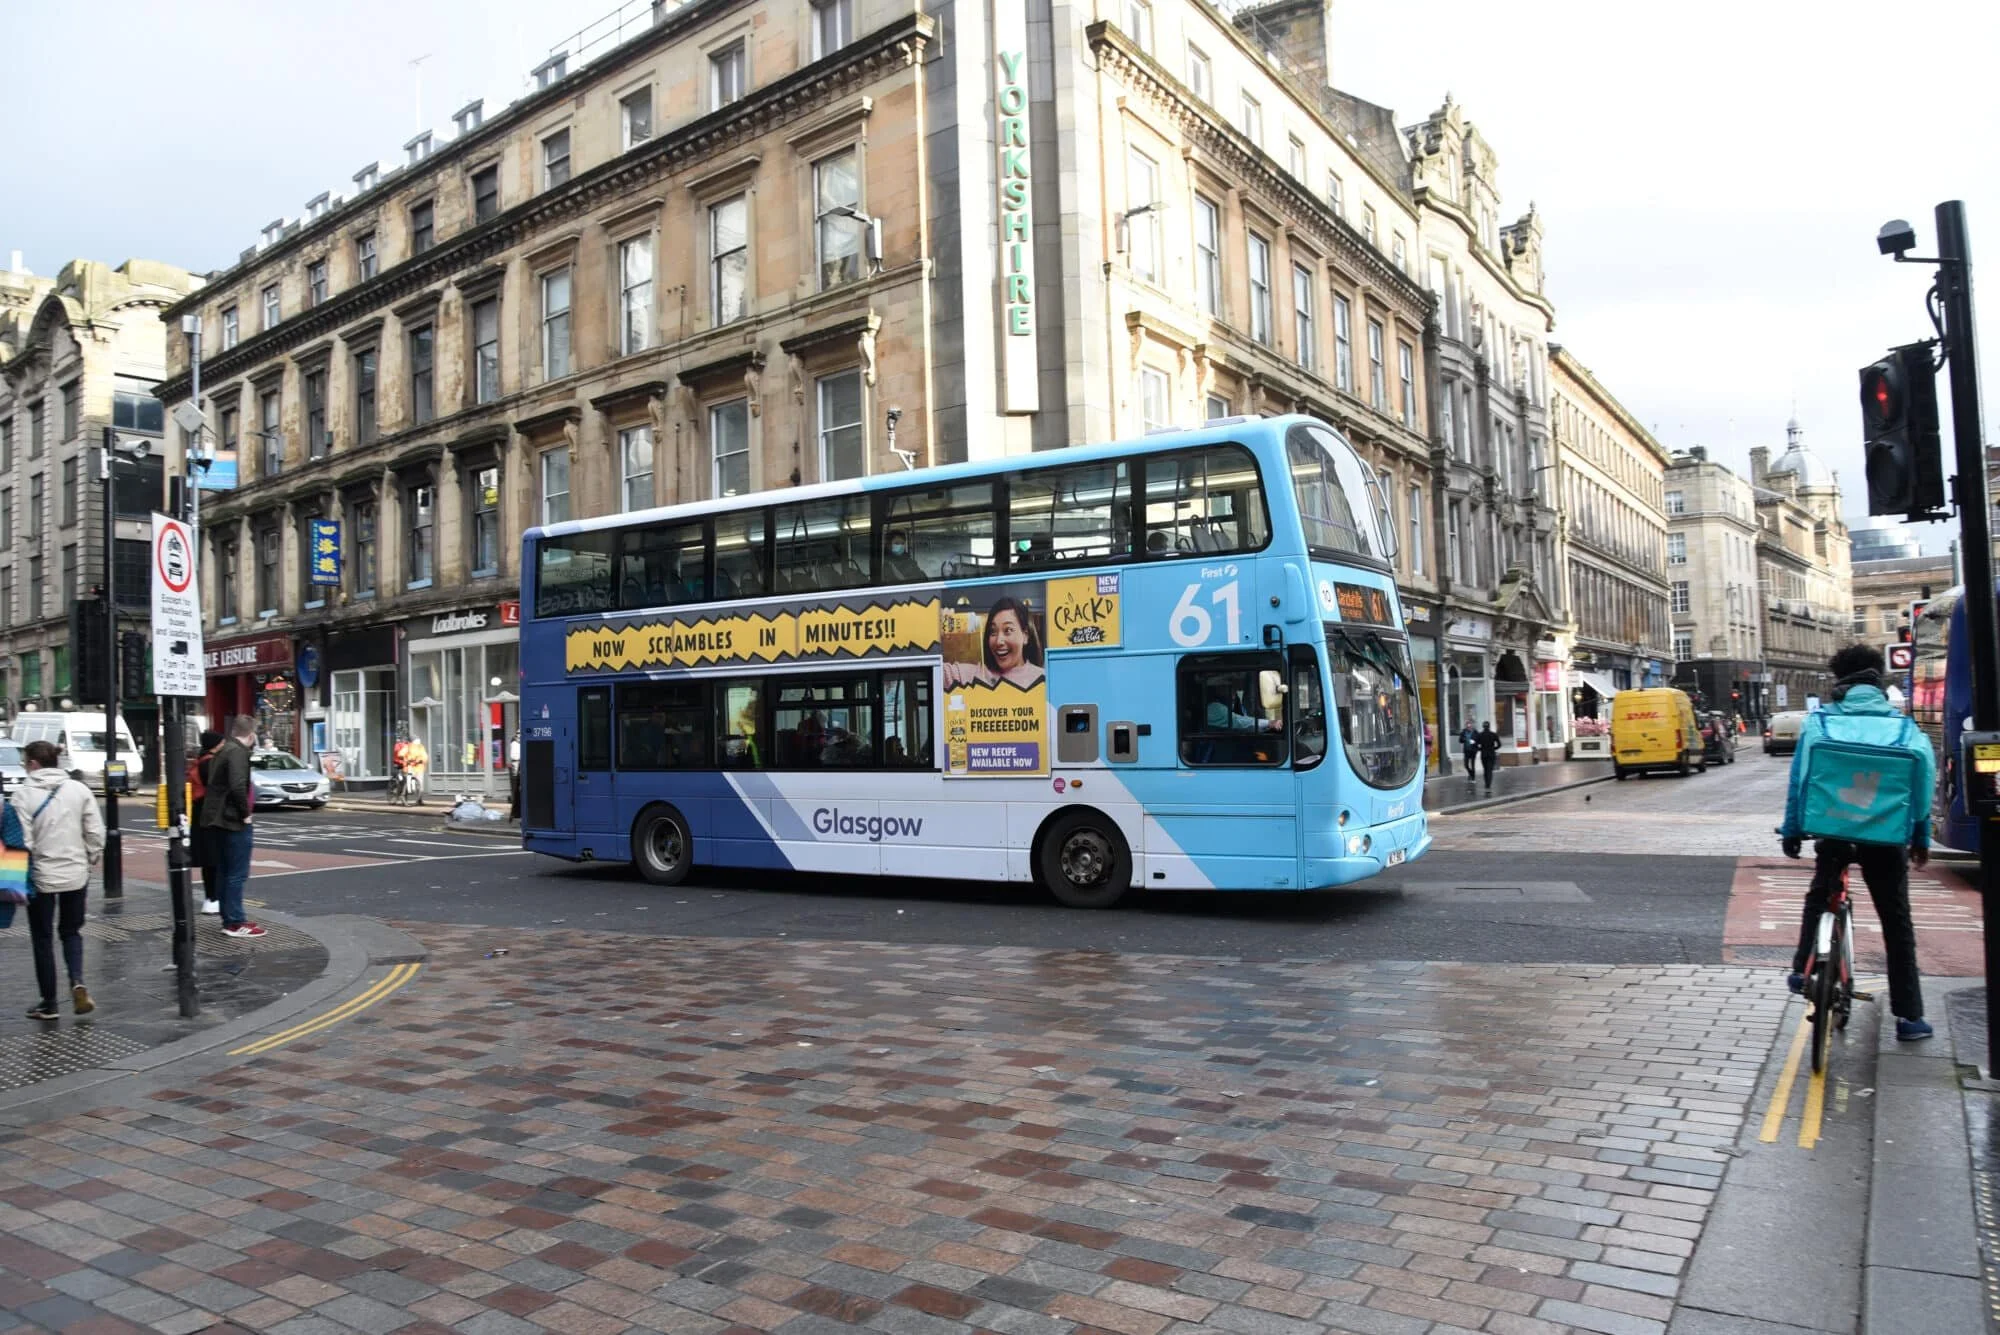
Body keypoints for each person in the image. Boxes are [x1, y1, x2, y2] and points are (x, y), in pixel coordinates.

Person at [1779, 643, 1935, 1041]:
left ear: (1839, 683)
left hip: (1833, 829)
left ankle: (1801, 969)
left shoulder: (1821, 723)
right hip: (1885, 839)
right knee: (1896, 920)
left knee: (1820, 895)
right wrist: (1920, 837)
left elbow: (1801, 782)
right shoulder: (1905, 728)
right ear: (1878, 680)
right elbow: (1921, 791)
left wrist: (1793, 830)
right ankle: (1909, 1017)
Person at [15, 740, 105, 1020]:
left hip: (41, 877)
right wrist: (91, 858)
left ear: (33, 764)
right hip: (76, 874)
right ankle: (77, 979)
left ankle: (50, 1003)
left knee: (42, 938)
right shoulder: (79, 790)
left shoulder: (22, 795)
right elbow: (95, 831)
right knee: (71, 931)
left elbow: (22, 841)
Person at [198, 715, 266, 939]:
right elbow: (237, 785)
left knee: (226, 871)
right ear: (251, 735)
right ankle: (235, 922)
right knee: (237, 873)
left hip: (218, 819)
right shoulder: (237, 753)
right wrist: (245, 815)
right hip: (232, 821)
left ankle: (229, 919)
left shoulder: (224, 750)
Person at [944, 596, 1046, 689]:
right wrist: (935, 627)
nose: (998, 641)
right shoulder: (970, 676)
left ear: (1025, 636)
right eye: (993, 631)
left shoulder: (1044, 679)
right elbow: (933, 673)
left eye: (1008, 630)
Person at [188, 729, 225, 914]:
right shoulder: (209, 763)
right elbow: (216, 790)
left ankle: (211, 898)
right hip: (208, 815)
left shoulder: (201, 761)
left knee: (209, 860)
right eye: (221, 742)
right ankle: (213, 898)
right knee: (213, 859)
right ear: (215, 745)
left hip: (200, 815)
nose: (224, 745)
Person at [404, 734, 430, 806]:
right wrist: (408, 760)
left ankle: (419, 800)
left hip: (419, 768)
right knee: (408, 784)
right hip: (411, 767)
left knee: (420, 784)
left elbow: (425, 756)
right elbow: (402, 754)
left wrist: (422, 760)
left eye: (418, 739)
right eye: (416, 740)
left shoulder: (421, 747)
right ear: (412, 741)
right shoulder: (408, 746)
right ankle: (404, 798)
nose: (418, 741)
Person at [1476, 721, 1501, 791]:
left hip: (1483, 754)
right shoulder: (1493, 734)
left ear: (1483, 726)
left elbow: (1476, 745)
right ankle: (1488, 784)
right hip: (1491, 754)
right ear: (1489, 726)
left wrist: (1480, 749)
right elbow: (1499, 744)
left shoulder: (1480, 735)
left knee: (1485, 769)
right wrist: (1494, 748)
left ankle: (1486, 783)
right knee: (1489, 770)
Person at [506, 730, 522, 821]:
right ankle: (515, 813)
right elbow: (514, 756)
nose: (519, 736)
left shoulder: (519, 743)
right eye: (519, 734)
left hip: (519, 768)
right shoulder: (515, 743)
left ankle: (516, 813)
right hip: (516, 770)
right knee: (516, 791)